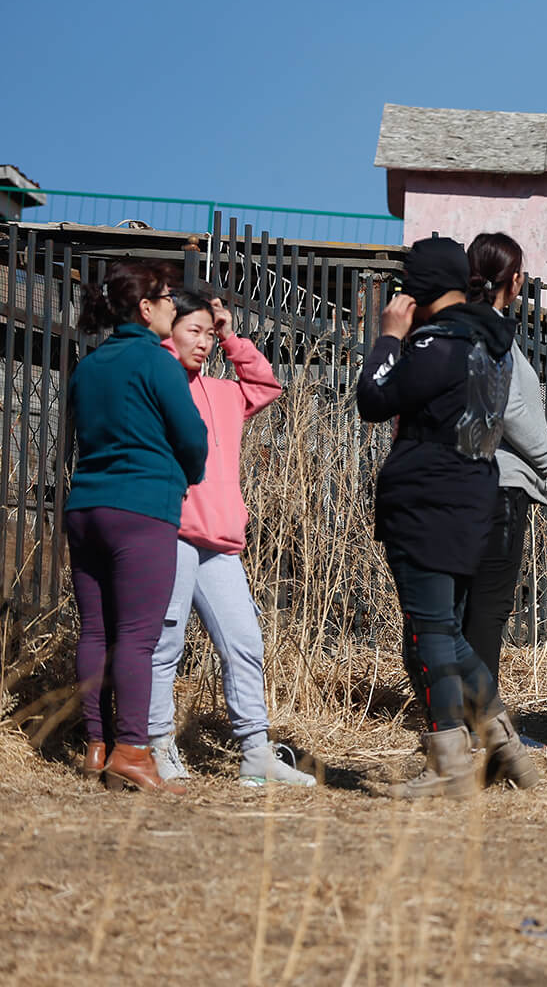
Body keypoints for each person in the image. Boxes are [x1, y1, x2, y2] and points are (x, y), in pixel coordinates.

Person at [358, 236, 538, 798]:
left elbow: (373, 398)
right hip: (471, 493)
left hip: (428, 498)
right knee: (445, 629)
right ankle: (500, 739)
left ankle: (450, 764)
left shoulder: (440, 341)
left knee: (433, 629)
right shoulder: (491, 339)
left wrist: (389, 336)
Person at [146, 290, 314, 787]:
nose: (202, 342)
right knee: (164, 646)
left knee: (244, 642)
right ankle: (158, 746)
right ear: (170, 332)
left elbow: (264, 384)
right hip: (171, 534)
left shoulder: (223, 392)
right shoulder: (158, 383)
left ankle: (256, 752)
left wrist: (228, 332)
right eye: (191, 331)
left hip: (220, 540)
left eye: (206, 334)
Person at [66, 260, 207, 793]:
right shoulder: (158, 363)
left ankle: (97, 745)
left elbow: (76, 434)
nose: (175, 305)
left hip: (86, 508)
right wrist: (187, 474)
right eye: (168, 297)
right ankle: (132, 750)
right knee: (137, 636)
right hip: (142, 509)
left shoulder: (90, 365)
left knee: (95, 630)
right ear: (146, 308)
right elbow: (191, 436)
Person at [461, 232, 547, 681]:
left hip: (465, 478)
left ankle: (452, 712)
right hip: (499, 485)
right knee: (490, 603)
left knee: (463, 603)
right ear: (515, 280)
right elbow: (511, 407)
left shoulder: (456, 324)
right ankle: (480, 717)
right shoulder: (492, 329)